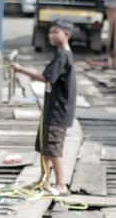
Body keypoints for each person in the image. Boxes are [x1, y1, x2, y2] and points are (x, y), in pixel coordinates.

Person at [12, 19, 76, 195]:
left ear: (66, 35)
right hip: (52, 110)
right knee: (44, 146)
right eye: (50, 32)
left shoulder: (63, 56)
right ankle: (44, 181)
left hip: (57, 111)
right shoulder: (61, 54)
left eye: (56, 32)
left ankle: (61, 184)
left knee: (53, 147)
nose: (51, 35)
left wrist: (21, 70)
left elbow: (45, 78)